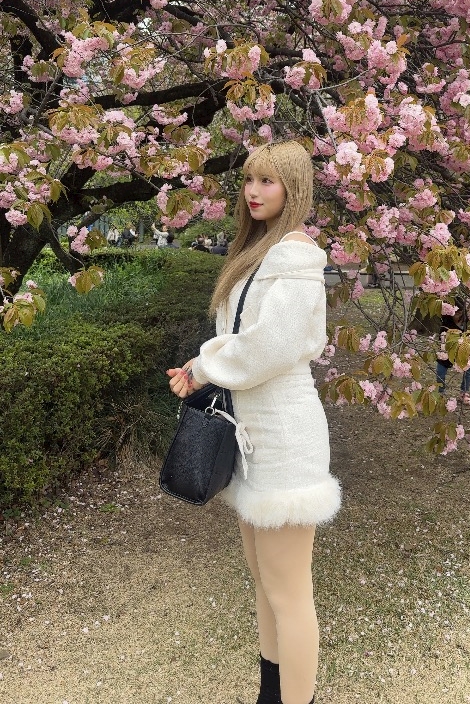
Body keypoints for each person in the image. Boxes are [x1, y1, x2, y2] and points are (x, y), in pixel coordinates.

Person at [167, 141, 341, 704]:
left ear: (295, 187)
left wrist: (203, 367)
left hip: (285, 437)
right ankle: (271, 693)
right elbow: (241, 340)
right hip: (251, 435)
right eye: (249, 179)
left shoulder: (295, 255)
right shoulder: (260, 250)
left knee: (289, 593)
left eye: (268, 180)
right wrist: (200, 370)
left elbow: (270, 347)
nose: (253, 191)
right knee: (266, 586)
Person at [436, 300, 470, 402]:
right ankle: (441, 392)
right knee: (440, 371)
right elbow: (442, 339)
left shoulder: (466, 321)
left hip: (463, 350)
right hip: (448, 350)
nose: (457, 315)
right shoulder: (445, 324)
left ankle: (464, 392)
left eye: (459, 313)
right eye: (455, 313)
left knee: (469, 369)